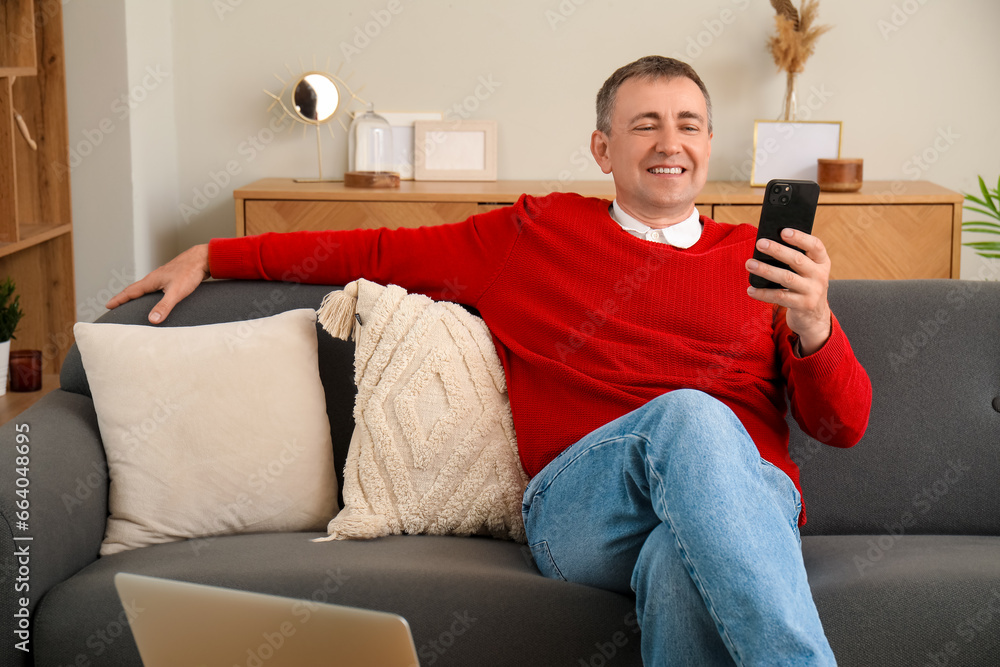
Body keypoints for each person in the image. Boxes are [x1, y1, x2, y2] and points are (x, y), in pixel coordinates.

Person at [108, 56, 871, 665]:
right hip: (582, 512)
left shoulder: (761, 258)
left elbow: (843, 426)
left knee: (677, 565)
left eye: (689, 125)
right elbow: (371, 250)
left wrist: (813, 321)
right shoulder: (531, 235)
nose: (670, 143)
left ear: (708, 145)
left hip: (744, 503)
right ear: (603, 148)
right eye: (645, 125)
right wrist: (214, 251)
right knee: (691, 415)